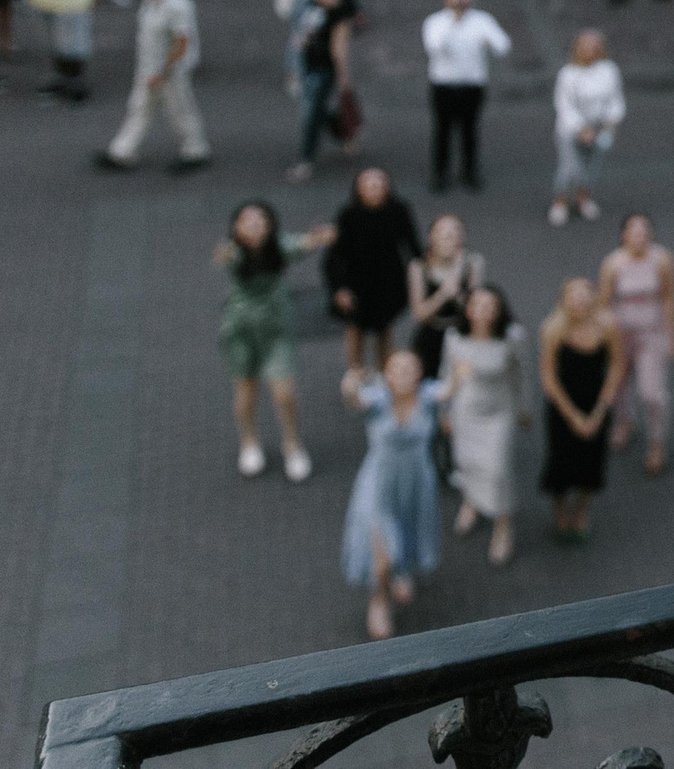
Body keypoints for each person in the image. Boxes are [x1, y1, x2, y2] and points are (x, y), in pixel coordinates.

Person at [215, 200, 333, 482]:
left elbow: (303, 243)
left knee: (284, 392)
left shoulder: (279, 246)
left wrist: (318, 238)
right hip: (241, 329)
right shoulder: (234, 253)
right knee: (246, 388)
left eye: (260, 220)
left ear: (269, 226)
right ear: (236, 228)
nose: (255, 225)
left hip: (275, 327)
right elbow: (226, 257)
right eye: (247, 221)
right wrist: (224, 255)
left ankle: (292, 444)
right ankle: (249, 442)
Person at [340, 348, 443, 639]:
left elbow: (451, 389)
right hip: (379, 485)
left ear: (419, 374)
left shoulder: (428, 397)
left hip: (414, 484)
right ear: (386, 375)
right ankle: (379, 600)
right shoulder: (378, 400)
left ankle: (399, 572)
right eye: (396, 368)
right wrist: (350, 383)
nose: (403, 374)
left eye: (409, 368)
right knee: (381, 555)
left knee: (407, 531)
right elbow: (354, 399)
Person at [440, 285, 528, 567]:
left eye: (489, 306)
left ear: (499, 311)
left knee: (498, 470)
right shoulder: (454, 337)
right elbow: (446, 374)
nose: (481, 311)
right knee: (467, 462)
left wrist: (524, 408)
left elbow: (520, 374)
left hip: (499, 412)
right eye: (476, 305)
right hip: (466, 411)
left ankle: (503, 524)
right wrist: (445, 410)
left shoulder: (512, 337)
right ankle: (472, 501)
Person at [97, 0, 211, 171]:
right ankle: (121, 151)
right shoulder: (153, 0)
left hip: (169, 71)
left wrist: (163, 71)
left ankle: (195, 150)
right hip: (149, 69)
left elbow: (181, 42)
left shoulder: (177, 5)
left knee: (179, 110)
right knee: (140, 108)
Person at [538, 276, 626, 542]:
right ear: (564, 303)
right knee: (561, 460)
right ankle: (560, 508)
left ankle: (582, 509)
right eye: (574, 299)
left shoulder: (607, 326)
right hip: (563, 404)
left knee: (592, 460)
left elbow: (616, 367)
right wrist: (574, 416)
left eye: (585, 298)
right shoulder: (553, 329)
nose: (580, 304)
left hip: (595, 399)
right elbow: (549, 377)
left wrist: (600, 411)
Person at [325, 168, 420, 389]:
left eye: (379, 184)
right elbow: (336, 256)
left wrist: (421, 272)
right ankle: (355, 373)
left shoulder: (398, 211)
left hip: (388, 279)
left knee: (384, 328)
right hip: (356, 280)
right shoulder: (349, 215)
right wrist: (340, 287)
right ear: (359, 190)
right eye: (369, 185)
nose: (375, 189)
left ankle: (385, 374)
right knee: (354, 328)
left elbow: (411, 243)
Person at [600, 212, 674, 475]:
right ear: (624, 235)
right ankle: (624, 422)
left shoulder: (662, 259)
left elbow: (668, 298)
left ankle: (657, 443)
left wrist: (671, 336)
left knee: (652, 393)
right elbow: (604, 301)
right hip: (621, 333)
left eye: (645, 232)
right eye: (634, 232)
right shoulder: (613, 263)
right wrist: (603, 337)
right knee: (619, 385)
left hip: (651, 332)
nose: (640, 238)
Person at [422, 0, 511, 193]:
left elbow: (503, 46)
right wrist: (454, 22)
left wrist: (489, 41)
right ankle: (440, 174)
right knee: (442, 130)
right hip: (443, 85)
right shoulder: (436, 22)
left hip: (473, 85)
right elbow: (434, 47)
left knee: (470, 130)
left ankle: (469, 172)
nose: (460, 1)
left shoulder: (482, 20)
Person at [288, 0, 359, 182]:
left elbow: (339, 46)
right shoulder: (313, 4)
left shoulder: (339, 11)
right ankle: (344, 133)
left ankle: (306, 160)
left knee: (311, 114)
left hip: (324, 68)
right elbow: (305, 31)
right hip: (308, 65)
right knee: (317, 110)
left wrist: (343, 75)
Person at [551, 30, 625, 226]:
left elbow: (615, 100)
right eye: (584, 47)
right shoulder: (568, 74)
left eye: (593, 48)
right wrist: (581, 128)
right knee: (569, 168)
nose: (589, 52)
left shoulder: (609, 70)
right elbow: (564, 106)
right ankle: (560, 201)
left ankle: (582, 198)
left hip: (599, 128)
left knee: (592, 168)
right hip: (570, 130)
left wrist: (611, 122)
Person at [404, 214, 483, 383]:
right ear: (431, 238)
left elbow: (478, 311)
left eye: (455, 232)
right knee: (428, 384)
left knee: (465, 382)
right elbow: (418, 313)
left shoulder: (472, 263)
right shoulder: (419, 267)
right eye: (443, 232)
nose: (449, 237)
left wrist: (458, 275)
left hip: (463, 335)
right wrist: (443, 294)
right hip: (431, 335)